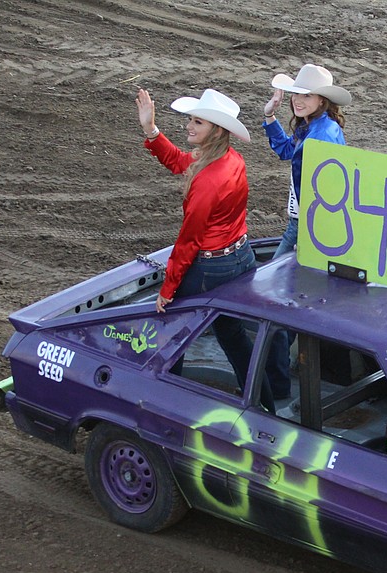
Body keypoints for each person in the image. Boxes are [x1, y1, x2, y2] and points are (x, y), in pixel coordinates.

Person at [136, 86, 273, 412]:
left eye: (197, 122)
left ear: (216, 130)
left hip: (211, 267)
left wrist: (168, 288)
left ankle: (165, 404)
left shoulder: (209, 178)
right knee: (232, 334)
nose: (189, 126)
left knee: (172, 328)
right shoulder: (230, 159)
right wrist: (152, 131)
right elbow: (181, 162)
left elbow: (189, 240)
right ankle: (266, 406)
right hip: (240, 257)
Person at [260, 64, 352, 399]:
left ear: (322, 100)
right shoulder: (316, 127)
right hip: (307, 223)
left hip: (306, 226)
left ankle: (278, 379)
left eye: (306, 95)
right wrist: (269, 118)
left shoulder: (321, 134)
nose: (298, 100)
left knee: (274, 294)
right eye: (296, 94)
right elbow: (287, 151)